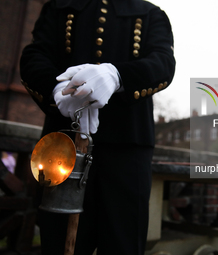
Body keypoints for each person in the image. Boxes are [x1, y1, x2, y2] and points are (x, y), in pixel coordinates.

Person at [20, 0, 176, 254]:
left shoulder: (151, 14)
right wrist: (55, 87)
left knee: (122, 243)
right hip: (63, 144)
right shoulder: (58, 8)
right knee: (59, 242)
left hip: (127, 150)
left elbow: (163, 63)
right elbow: (34, 56)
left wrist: (118, 75)